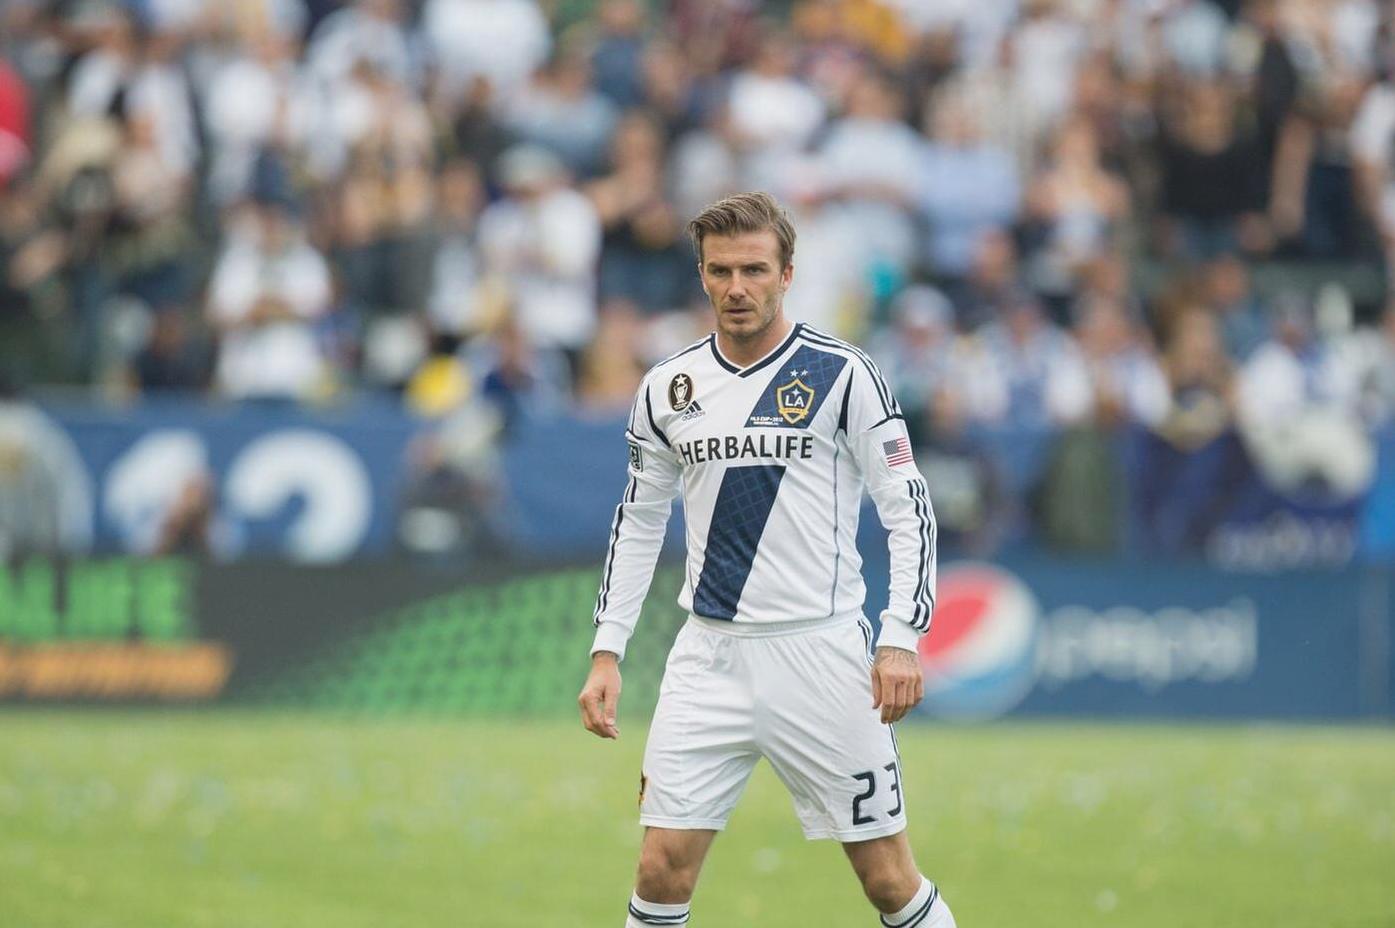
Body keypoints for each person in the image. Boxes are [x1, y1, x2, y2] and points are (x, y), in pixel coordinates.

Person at [577, 192, 955, 928]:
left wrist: (900, 636)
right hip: (707, 658)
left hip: (819, 652)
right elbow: (638, 521)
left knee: (886, 878)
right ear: (701, 274)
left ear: (786, 274)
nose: (736, 287)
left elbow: (907, 507)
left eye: (754, 269)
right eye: (720, 271)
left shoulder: (841, 374)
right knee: (659, 869)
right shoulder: (668, 387)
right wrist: (606, 650)